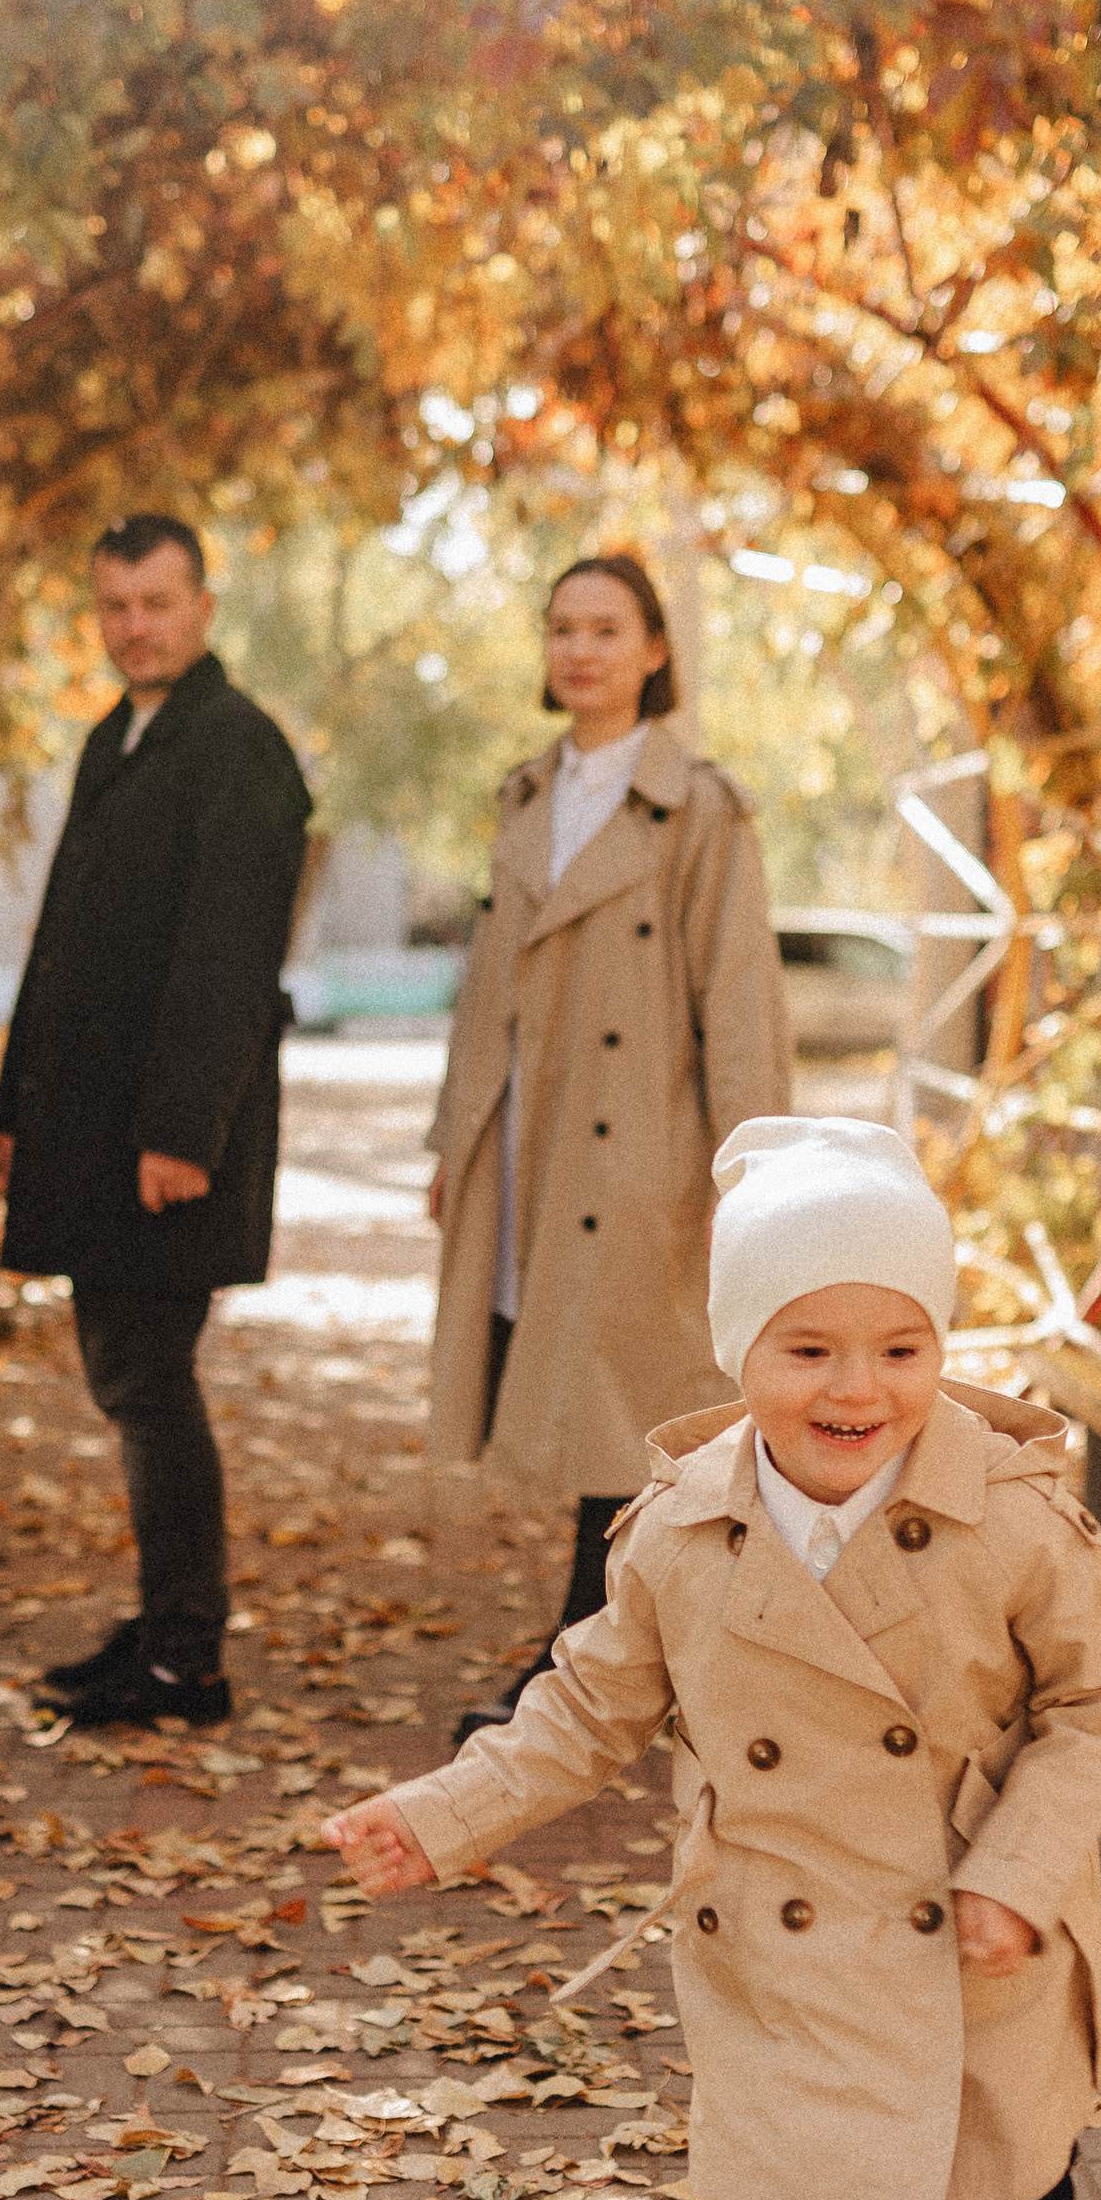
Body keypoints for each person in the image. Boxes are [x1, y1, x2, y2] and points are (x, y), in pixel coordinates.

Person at [325, 1118, 1101, 2200]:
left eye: (902, 1345)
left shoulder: (1012, 1520)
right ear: (743, 1350)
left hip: (967, 1939)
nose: (859, 1387)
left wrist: (1015, 1870)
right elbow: (580, 1717)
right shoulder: (678, 1535)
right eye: (810, 1347)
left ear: (942, 1347)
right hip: (782, 1976)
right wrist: (438, 1821)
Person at [425, 551, 791, 1737]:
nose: (579, 651)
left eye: (605, 629)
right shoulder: (524, 796)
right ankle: (616, 1651)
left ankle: (584, 1659)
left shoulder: (699, 807)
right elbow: (487, 989)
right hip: (530, 1137)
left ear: (652, 651)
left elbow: (735, 1000)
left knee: (626, 1399)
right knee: (575, 1384)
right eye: (561, 628)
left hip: (641, 1145)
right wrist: (454, 1140)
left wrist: (755, 1170)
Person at [0, 514, 311, 1732]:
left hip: (169, 1140)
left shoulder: (239, 748)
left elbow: (229, 957)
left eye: (158, 604)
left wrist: (183, 1134)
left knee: (149, 1378)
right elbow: (59, 943)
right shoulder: (114, 742)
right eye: (116, 606)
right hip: (85, 1128)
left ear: (202, 609)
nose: (135, 628)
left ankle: (186, 1662)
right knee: (128, 1375)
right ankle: (167, 1625)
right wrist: (10, 1107)